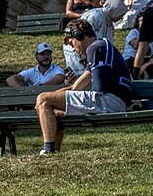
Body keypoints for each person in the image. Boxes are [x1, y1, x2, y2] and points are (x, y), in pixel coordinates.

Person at [34, 18, 129, 154]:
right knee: (50, 107)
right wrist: (55, 97)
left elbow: (98, 87)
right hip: (113, 101)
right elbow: (75, 88)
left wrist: (46, 99)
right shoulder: (101, 45)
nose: (73, 49)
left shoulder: (94, 48)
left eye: (72, 43)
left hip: (107, 101)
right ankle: (54, 150)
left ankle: (48, 150)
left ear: (80, 35)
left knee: (43, 99)